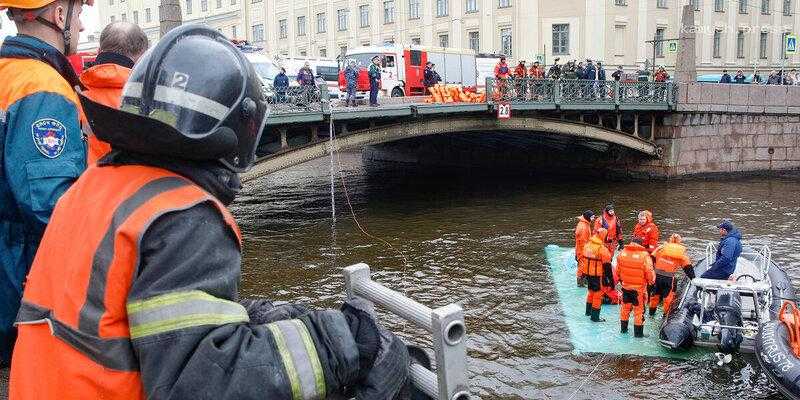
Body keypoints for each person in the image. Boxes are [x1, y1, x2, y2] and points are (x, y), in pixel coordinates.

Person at [10, 25, 409, 399]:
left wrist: (253, 315)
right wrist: (342, 342)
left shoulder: (97, 187)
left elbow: (137, 315)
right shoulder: (182, 216)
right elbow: (204, 381)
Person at [0, 0, 91, 367]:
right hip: (19, 289)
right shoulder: (43, 87)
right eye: (79, 14)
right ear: (58, 16)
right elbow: (51, 206)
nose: (82, 27)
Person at [80, 21, 148, 164]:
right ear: (143, 55)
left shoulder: (71, 93)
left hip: (83, 183)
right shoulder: (146, 101)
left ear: (99, 51)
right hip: (130, 184)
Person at [616, 239, 655, 337]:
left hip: (625, 287)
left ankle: (623, 330)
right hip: (638, 289)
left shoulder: (622, 253)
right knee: (638, 311)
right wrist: (651, 282)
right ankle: (638, 334)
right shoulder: (645, 256)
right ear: (641, 245)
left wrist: (622, 281)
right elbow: (649, 272)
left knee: (625, 309)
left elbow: (617, 271)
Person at [648, 234, 694, 317]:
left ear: (670, 239)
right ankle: (665, 317)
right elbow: (688, 268)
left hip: (656, 277)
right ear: (679, 241)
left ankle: (651, 314)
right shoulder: (681, 253)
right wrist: (693, 279)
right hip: (668, 278)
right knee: (667, 298)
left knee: (654, 296)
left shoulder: (661, 248)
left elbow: (651, 258)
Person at [578, 228, 613, 322]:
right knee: (597, 295)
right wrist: (610, 280)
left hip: (588, 274)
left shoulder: (587, 245)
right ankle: (595, 317)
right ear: (603, 236)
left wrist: (582, 274)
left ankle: (588, 312)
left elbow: (582, 259)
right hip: (597, 275)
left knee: (590, 292)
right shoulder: (602, 249)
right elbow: (607, 267)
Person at [575, 210, 595, 281]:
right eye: (592, 217)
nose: (593, 219)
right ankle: (580, 281)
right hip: (582, 251)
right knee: (582, 266)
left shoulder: (584, 223)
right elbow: (583, 242)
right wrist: (587, 252)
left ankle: (583, 279)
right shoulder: (583, 227)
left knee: (583, 265)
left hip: (580, 249)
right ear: (588, 217)